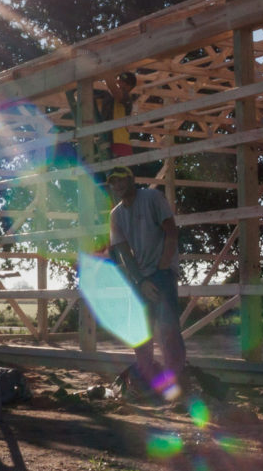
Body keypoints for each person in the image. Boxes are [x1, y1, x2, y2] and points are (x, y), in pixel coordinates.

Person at [105, 166, 187, 399]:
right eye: (114, 183)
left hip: (163, 271)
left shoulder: (152, 198)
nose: (118, 186)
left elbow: (171, 233)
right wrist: (140, 280)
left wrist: (161, 272)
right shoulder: (116, 215)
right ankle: (146, 379)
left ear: (132, 180)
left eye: (122, 180)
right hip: (140, 276)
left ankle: (177, 380)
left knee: (168, 328)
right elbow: (124, 252)